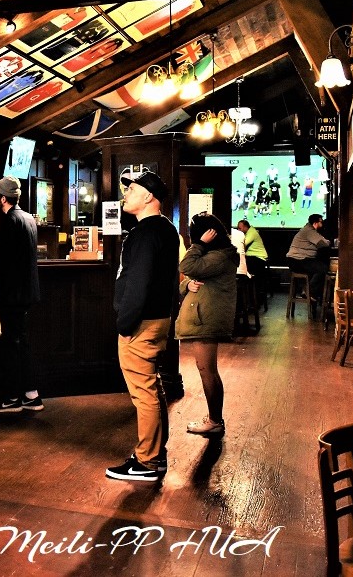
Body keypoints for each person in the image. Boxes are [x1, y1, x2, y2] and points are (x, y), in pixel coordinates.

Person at [107, 171, 178, 482]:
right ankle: (155, 455)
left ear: (149, 196)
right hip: (159, 318)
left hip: (141, 322)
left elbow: (139, 282)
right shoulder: (166, 229)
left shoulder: (145, 233)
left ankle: (147, 462)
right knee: (153, 387)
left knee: (143, 393)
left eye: (132, 189)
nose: (126, 194)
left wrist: (125, 322)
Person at [0, 176, 43, 414]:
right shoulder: (27, 218)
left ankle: (10, 398)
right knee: (21, 343)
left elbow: (4, 263)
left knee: (8, 345)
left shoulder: (9, 221)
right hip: (27, 293)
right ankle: (31, 395)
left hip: (11, 295)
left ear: (3, 199)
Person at [177, 213, 239, 437]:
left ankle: (214, 421)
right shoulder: (216, 256)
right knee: (207, 370)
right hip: (203, 317)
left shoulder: (219, 257)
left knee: (207, 371)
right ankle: (214, 419)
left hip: (206, 320)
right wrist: (187, 285)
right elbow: (190, 276)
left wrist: (199, 244)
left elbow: (186, 265)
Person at [286, 213, 331, 305]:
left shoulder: (308, 230)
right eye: (321, 222)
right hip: (298, 260)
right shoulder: (309, 231)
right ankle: (309, 291)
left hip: (298, 260)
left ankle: (310, 292)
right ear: (315, 223)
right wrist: (328, 241)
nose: (322, 223)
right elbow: (323, 243)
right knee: (323, 269)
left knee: (318, 268)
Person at [237, 219, 269, 287]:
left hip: (259, 258)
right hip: (253, 257)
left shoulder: (251, 232)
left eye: (240, 228)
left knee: (239, 262)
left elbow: (242, 244)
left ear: (245, 227)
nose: (238, 230)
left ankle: (243, 283)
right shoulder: (248, 233)